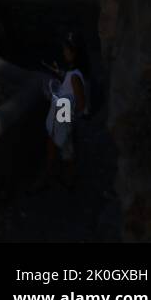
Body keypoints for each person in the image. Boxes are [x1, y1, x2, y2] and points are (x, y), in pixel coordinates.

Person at [40, 32, 88, 188]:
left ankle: (53, 178)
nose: (64, 53)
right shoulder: (73, 73)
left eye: (66, 50)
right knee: (62, 148)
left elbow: (80, 104)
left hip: (64, 115)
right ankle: (65, 179)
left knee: (58, 147)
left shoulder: (75, 77)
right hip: (64, 114)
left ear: (74, 53)